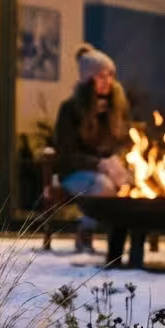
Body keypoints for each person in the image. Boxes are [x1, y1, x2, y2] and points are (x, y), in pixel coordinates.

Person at [53, 44, 132, 252]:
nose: (107, 80)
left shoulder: (115, 108)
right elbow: (67, 154)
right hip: (75, 173)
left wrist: (119, 161)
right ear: (88, 79)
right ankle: (84, 233)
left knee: (132, 183)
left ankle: (123, 239)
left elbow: (124, 142)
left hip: (107, 169)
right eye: (100, 76)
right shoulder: (69, 109)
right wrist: (98, 164)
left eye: (110, 75)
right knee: (102, 185)